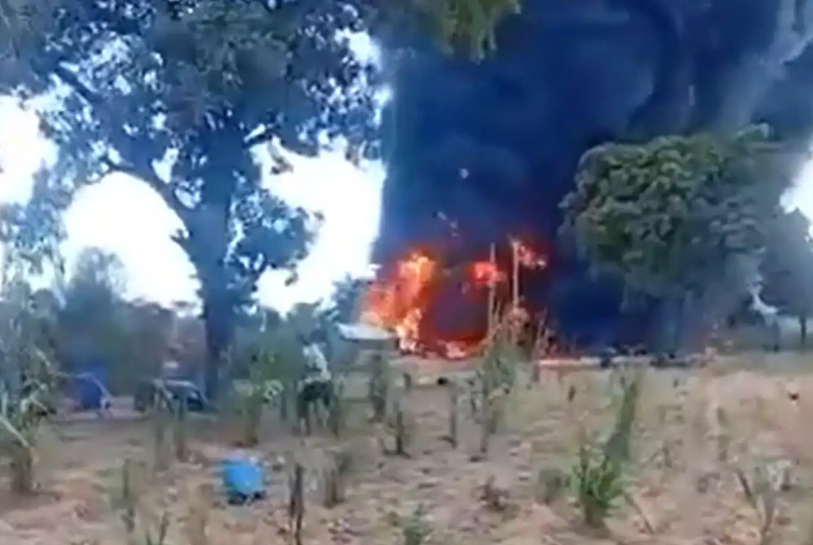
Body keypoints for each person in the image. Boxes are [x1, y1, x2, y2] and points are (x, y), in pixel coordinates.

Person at [295, 333, 334, 433]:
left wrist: (305, 375)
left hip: (318, 382)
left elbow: (311, 367)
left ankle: (304, 427)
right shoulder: (316, 349)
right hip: (326, 380)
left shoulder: (307, 350)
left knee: (301, 399)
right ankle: (325, 421)